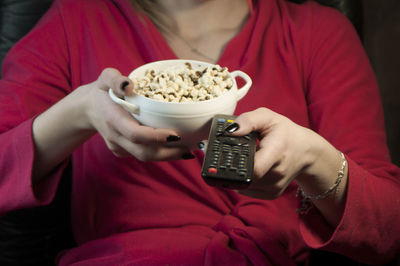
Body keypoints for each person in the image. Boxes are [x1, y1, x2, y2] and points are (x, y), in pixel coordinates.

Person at [0, 0, 399, 265]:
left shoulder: (318, 32)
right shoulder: (76, 21)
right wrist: (78, 114)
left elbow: (389, 231)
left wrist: (314, 161)